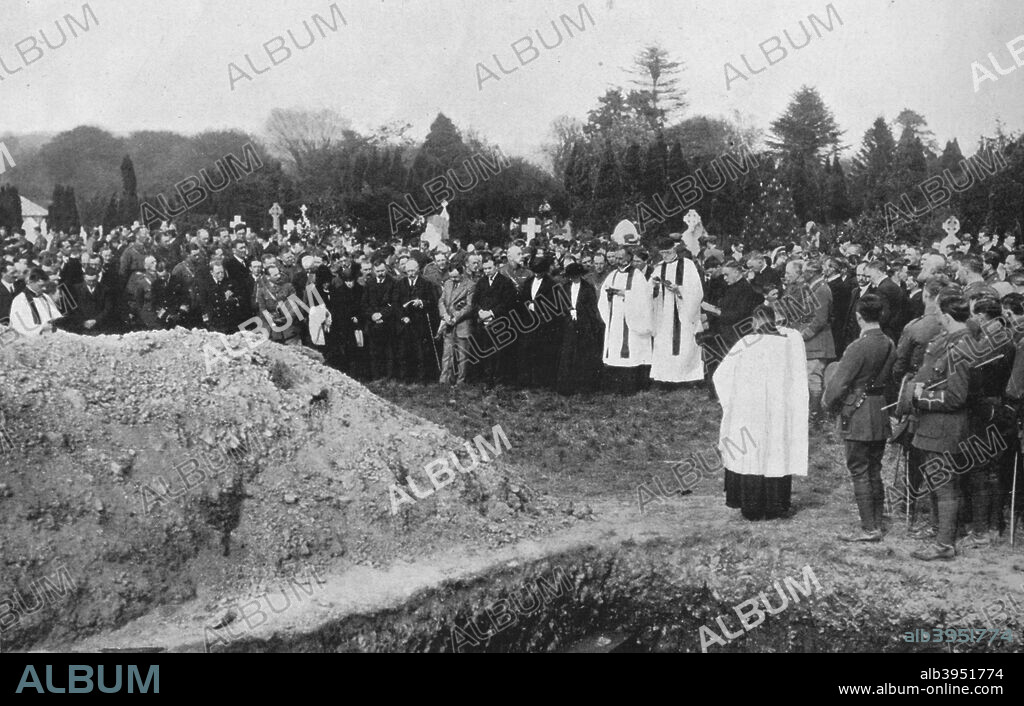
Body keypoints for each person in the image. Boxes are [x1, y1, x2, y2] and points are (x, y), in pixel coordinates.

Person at [714, 305, 808, 520]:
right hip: (778, 412)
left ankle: (751, 507)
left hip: (750, 411)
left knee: (752, 454)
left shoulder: (746, 343)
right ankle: (776, 505)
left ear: (756, 321)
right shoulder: (789, 345)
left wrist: (733, 403)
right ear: (774, 320)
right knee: (775, 453)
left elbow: (721, 377)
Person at [823, 295, 896, 542]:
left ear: (858, 317)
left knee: (859, 469)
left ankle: (869, 527)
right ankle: (877, 519)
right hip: (879, 408)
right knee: (875, 468)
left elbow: (838, 384)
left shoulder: (857, 347)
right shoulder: (889, 343)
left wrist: (827, 404)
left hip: (857, 410)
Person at [908, 294, 974, 561]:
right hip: (942, 427)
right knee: (943, 485)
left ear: (947, 318)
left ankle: (944, 543)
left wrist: (919, 397)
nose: (937, 321)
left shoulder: (958, 350)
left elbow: (957, 397)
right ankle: (942, 534)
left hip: (944, 427)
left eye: (938, 317)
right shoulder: (962, 343)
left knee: (944, 486)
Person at [598, 247, 653, 395]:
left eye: (621, 258)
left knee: (631, 352)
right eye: (616, 258)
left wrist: (623, 293)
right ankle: (614, 387)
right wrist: (609, 295)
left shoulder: (637, 276)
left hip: (631, 320)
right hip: (615, 318)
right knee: (615, 350)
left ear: (629, 258)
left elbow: (644, 297)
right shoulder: (613, 275)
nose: (618, 261)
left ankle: (630, 387)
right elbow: (603, 296)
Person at [650, 237, 704, 386]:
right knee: (664, 343)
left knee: (685, 343)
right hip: (664, 313)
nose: (665, 256)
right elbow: (650, 293)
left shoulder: (687, 265)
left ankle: (687, 378)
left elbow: (696, 290)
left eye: (667, 252)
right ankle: (665, 378)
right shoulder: (658, 267)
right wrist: (654, 286)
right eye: (662, 253)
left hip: (683, 312)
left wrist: (679, 289)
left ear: (674, 249)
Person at [516, 258, 562, 389]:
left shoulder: (551, 284)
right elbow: (522, 298)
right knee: (526, 351)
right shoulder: (528, 282)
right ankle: (526, 380)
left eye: (539, 272)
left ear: (545, 271)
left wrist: (536, 306)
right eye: (535, 271)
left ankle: (540, 381)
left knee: (541, 352)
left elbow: (554, 304)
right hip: (528, 322)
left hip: (543, 323)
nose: (537, 274)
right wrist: (527, 306)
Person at [557, 263, 601, 395]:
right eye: (571, 277)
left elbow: (592, 307)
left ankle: (584, 386)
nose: (573, 279)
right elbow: (561, 305)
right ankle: (566, 387)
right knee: (567, 354)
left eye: (576, 276)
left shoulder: (588, 288)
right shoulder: (564, 288)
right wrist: (569, 311)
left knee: (583, 354)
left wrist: (580, 313)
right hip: (568, 325)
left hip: (584, 325)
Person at [472, 255, 517, 386]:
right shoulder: (481, 282)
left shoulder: (505, 282)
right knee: (486, 350)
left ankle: (498, 380)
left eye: (489, 268)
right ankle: (487, 379)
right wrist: (480, 312)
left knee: (499, 353)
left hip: (499, 321)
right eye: (484, 269)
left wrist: (491, 313)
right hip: (483, 322)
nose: (486, 271)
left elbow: (507, 302)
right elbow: (475, 300)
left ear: (496, 267)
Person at [393, 258, 438, 383]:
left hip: (420, 323)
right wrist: (403, 317)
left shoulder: (426, 283)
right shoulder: (400, 284)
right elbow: (395, 303)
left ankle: (421, 379)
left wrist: (422, 302)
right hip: (404, 323)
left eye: (413, 271)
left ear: (418, 270)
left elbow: (432, 302)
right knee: (403, 352)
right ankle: (404, 378)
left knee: (420, 353)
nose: (411, 274)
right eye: (408, 271)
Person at [437, 255, 476, 387]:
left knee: (462, 356)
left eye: (455, 277)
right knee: (447, 354)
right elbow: (441, 301)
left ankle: (461, 382)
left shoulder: (470, 285)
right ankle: (444, 380)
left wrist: (455, 318)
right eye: (451, 276)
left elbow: (469, 306)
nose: (453, 279)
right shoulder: (447, 283)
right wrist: (445, 316)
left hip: (462, 325)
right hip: (448, 324)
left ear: (462, 272)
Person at [362, 259, 397, 380]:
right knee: (374, 351)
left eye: (382, 270)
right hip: (373, 323)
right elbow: (364, 304)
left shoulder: (393, 283)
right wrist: (372, 316)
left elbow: (394, 303)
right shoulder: (369, 283)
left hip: (387, 322)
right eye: (377, 271)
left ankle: (389, 376)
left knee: (389, 351)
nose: (380, 273)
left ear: (386, 269)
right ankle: (376, 376)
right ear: (374, 271)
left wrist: (382, 315)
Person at [9, 268, 63, 338]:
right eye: (41, 286)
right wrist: (41, 328)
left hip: (50, 336)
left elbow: (56, 316)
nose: (44, 289)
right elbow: (19, 326)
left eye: (46, 285)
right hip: (32, 340)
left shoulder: (45, 297)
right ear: (30, 282)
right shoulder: (20, 300)